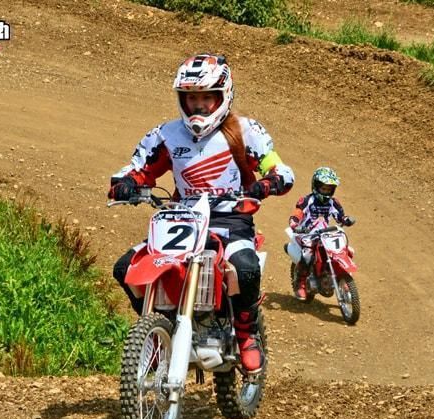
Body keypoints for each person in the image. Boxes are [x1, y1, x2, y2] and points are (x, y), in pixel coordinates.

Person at [108, 53, 295, 374]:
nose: (198, 106)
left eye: (206, 98)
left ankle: (247, 334)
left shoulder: (246, 130)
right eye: (192, 98)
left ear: (223, 96)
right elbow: (138, 167)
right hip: (182, 218)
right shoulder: (166, 134)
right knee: (125, 268)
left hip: (231, 217)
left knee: (246, 267)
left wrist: (268, 183)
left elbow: (279, 169)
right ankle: (159, 328)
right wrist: (125, 183)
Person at [288, 167, 355, 301]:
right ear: (316, 186)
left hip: (326, 233)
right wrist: (294, 222)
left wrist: (345, 220)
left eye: (329, 189)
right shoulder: (307, 200)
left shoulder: (333, 202)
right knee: (307, 255)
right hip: (308, 233)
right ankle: (300, 283)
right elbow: (298, 212)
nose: (326, 192)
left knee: (346, 250)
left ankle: (340, 275)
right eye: (324, 189)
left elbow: (340, 216)